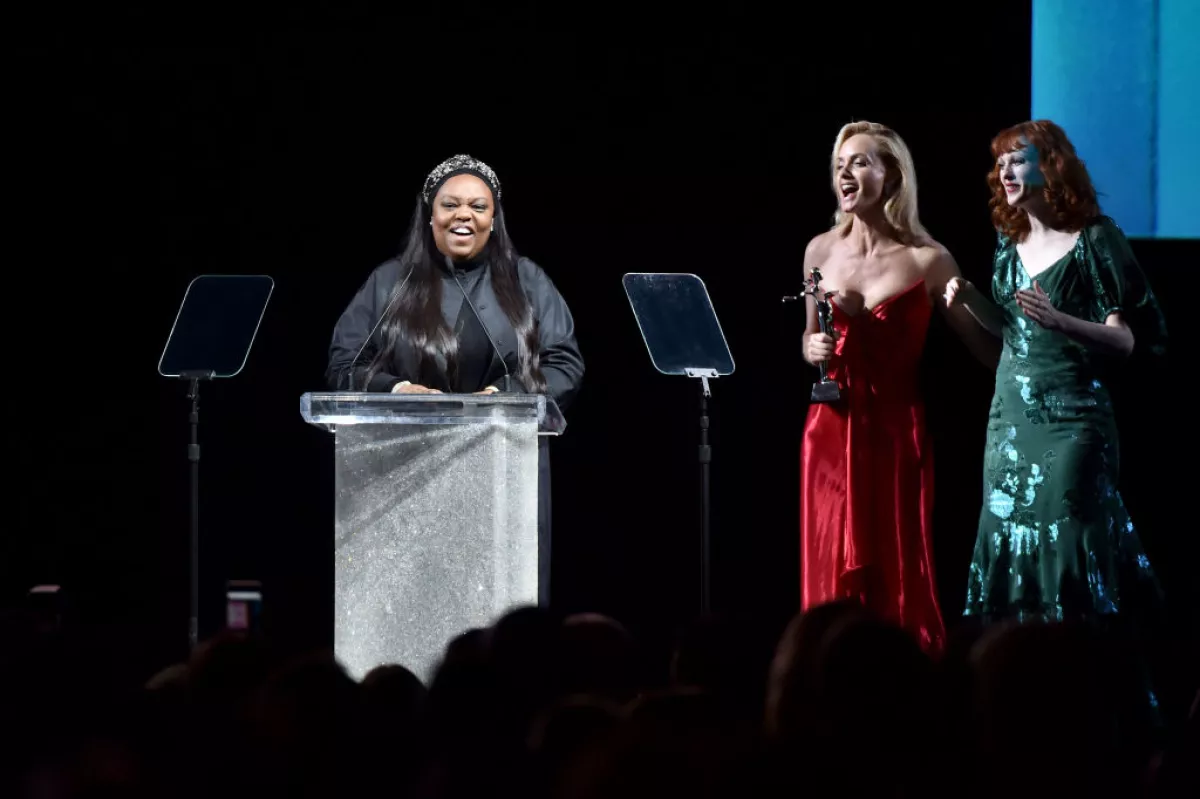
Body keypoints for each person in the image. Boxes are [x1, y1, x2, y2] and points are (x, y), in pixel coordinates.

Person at [325, 154, 585, 608]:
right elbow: (344, 363)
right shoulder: (390, 282)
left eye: (478, 207)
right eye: (451, 205)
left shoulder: (528, 281)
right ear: (430, 216)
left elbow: (564, 363)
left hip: (505, 468)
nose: (464, 215)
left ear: (493, 219)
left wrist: (506, 396)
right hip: (405, 468)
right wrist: (397, 391)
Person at [945, 120, 1167, 629]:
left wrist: (1060, 319)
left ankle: (1082, 673)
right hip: (1009, 422)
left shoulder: (1094, 239)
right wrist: (970, 299)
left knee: (1069, 541)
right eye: (1000, 163)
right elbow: (1014, 331)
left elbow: (1126, 339)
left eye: (1017, 160)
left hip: (1073, 421)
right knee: (1011, 541)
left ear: (1050, 166)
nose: (1005, 171)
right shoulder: (1008, 245)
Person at [799, 121, 989, 655]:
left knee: (896, 565)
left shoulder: (930, 259)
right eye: (840, 165)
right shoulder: (817, 251)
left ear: (892, 175)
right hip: (829, 435)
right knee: (829, 562)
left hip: (894, 434)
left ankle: (902, 690)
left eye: (860, 161)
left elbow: (985, 351)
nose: (845, 173)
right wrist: (811, 350)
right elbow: (810, 339)